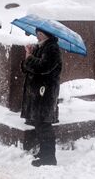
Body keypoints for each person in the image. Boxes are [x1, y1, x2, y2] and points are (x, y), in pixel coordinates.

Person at [21, 28, 62, 166]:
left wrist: (30, 58)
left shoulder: (52, 48)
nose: (37, 36)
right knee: (39, 123)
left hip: (46, 93)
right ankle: (44, 152)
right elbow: (27, 68)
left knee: (44, 124)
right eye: (37, 33)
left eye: (40, 33)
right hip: (38, 92)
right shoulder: (41, 47)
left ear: (47, 34)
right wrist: (29, 54)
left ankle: (50, 157)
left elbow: (43, 67)